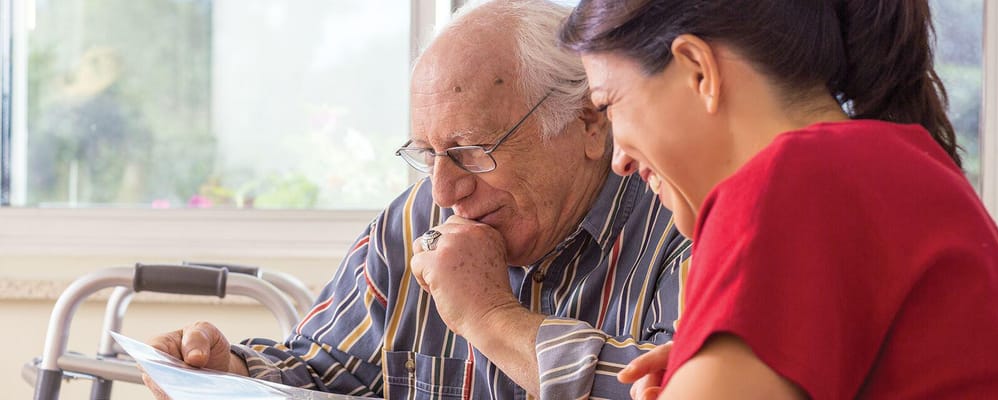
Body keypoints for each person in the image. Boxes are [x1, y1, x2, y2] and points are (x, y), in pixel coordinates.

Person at [145, 1, 692, 399]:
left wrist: (490, 316)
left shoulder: (682, 224)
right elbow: (323, 369)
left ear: (588, 122)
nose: (444, 191)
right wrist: (228, 375)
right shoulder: (412, 226)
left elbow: (674, 390)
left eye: (472, 151)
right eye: (427, 154)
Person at [560, 0, 998, 398]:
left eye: (607, 105)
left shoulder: (790, 182)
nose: (617, 158)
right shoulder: (899, 163)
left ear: (698, 71)